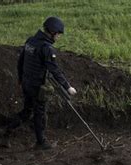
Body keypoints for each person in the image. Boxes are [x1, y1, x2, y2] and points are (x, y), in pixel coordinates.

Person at [5, 16, 77, 150]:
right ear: (53, 32)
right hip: (37, 86)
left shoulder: (30, 41)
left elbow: (20, 61)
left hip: (26, 82)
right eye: (59, 34)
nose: (58, 37)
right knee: (40, 113)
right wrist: (68, 87)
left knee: (27, 111)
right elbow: (54, 69)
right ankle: (41, 142)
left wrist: (20, 79)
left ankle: (7, 129)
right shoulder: (46, 48)